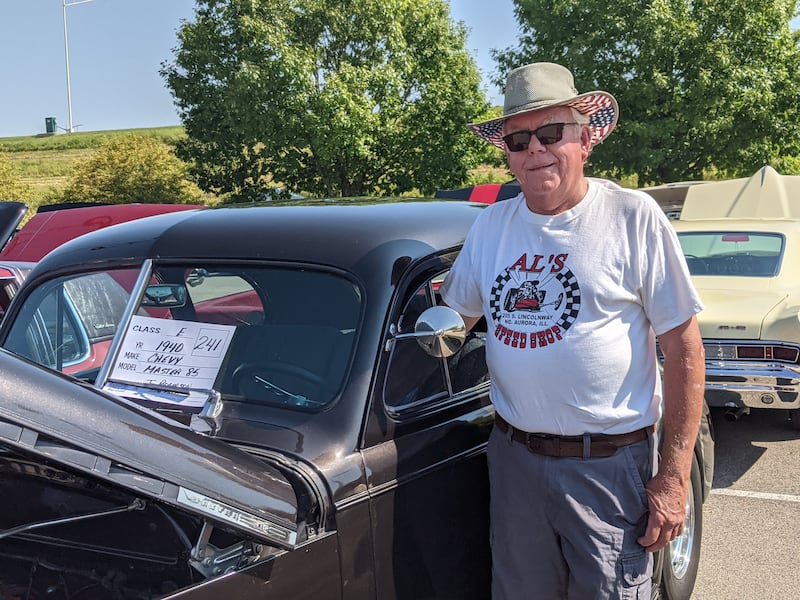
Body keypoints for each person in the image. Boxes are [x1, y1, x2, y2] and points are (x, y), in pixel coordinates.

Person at [439, 62, 706, 599]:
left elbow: (683, 347)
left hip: (608, 466)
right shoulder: (492, 226)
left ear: (585, 139)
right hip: (514, 460)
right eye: (518, 139)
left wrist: (674, 477)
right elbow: (452, 321)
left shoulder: (634, 217)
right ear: (508, 154)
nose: (535, 149)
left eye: (551, 132)